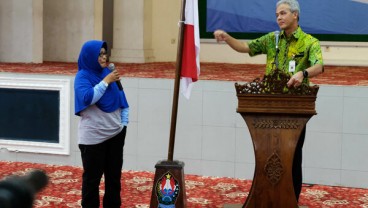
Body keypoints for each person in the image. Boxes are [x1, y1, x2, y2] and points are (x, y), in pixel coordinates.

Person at [214, 0, 323, 202]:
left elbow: (319, 66)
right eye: (277, 14)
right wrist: (228, 38)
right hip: (267, 108)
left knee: (292, 159)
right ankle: (265, 199)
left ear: (295, 15)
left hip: (295, 111)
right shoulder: (272, 39)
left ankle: (291, 201)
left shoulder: (309, 42)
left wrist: (303, 73)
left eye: (283, 13)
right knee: (266, 157)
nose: (279, 17)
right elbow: (245, 47)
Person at [74, 40, 129, 208]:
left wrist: (123, 125)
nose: (104, 57)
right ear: (90, 56)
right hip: (93, 139)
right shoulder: (82, 76)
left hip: (115, 134)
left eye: (105, 53)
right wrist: (105, 81)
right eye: (100, 54)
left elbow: (122, 100)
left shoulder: (108, 72)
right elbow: (88, 98)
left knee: (114, 179)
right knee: (92, 180)